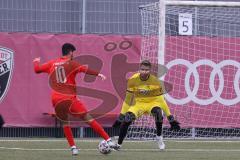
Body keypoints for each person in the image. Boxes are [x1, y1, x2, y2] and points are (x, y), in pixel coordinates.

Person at [33, 43, 116, 155]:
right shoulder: (72, 64)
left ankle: (73, 148)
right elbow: (85, 69)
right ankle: (109, 140)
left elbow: (37, 69)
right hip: (69, 98)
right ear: (71, 52)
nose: (73, 55)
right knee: (88, 119)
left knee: (65, 123)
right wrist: (98, 74)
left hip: (56, 99)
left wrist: (36, 61)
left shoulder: (52, 63)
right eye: (73, 52)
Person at [112, 60, 180, 150]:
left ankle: (159, 137)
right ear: (139, 69)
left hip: (153, 103)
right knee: (127, 120)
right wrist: (121, 115)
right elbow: (128, 100)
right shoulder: (132, 80)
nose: (144, 71)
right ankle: (119, 144)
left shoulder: (155, 81)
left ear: (150, 71)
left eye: (146, 70)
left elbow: (161, 101)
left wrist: (170, 117)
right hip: (138, 104)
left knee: (158, 114)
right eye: (142, 69)